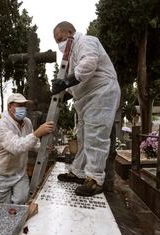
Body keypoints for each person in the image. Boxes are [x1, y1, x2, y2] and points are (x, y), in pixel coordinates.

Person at [52, 21, 121, 197]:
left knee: (95, 136)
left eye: (60, 38)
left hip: (101, 93)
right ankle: (79, 172)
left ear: (70, 32)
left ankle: (95, 180)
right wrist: (63, 91)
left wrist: (66, 82)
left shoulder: (87, 41)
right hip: (84, 98)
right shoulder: (71, 55)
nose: (59, 44)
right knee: (83, 137)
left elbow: (89, 64)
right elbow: (73, 82)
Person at [0, 93, 54, 204]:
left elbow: (33, 143)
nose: (22, 108)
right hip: (0, 176)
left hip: (19, 173)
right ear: (9, 107)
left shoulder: (27, 122)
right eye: (19, 105)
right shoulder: (1, 125)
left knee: (22, 201)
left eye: (24, 105)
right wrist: (38, 133)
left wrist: (43, 147)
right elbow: (16, 147)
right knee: (3, 209)